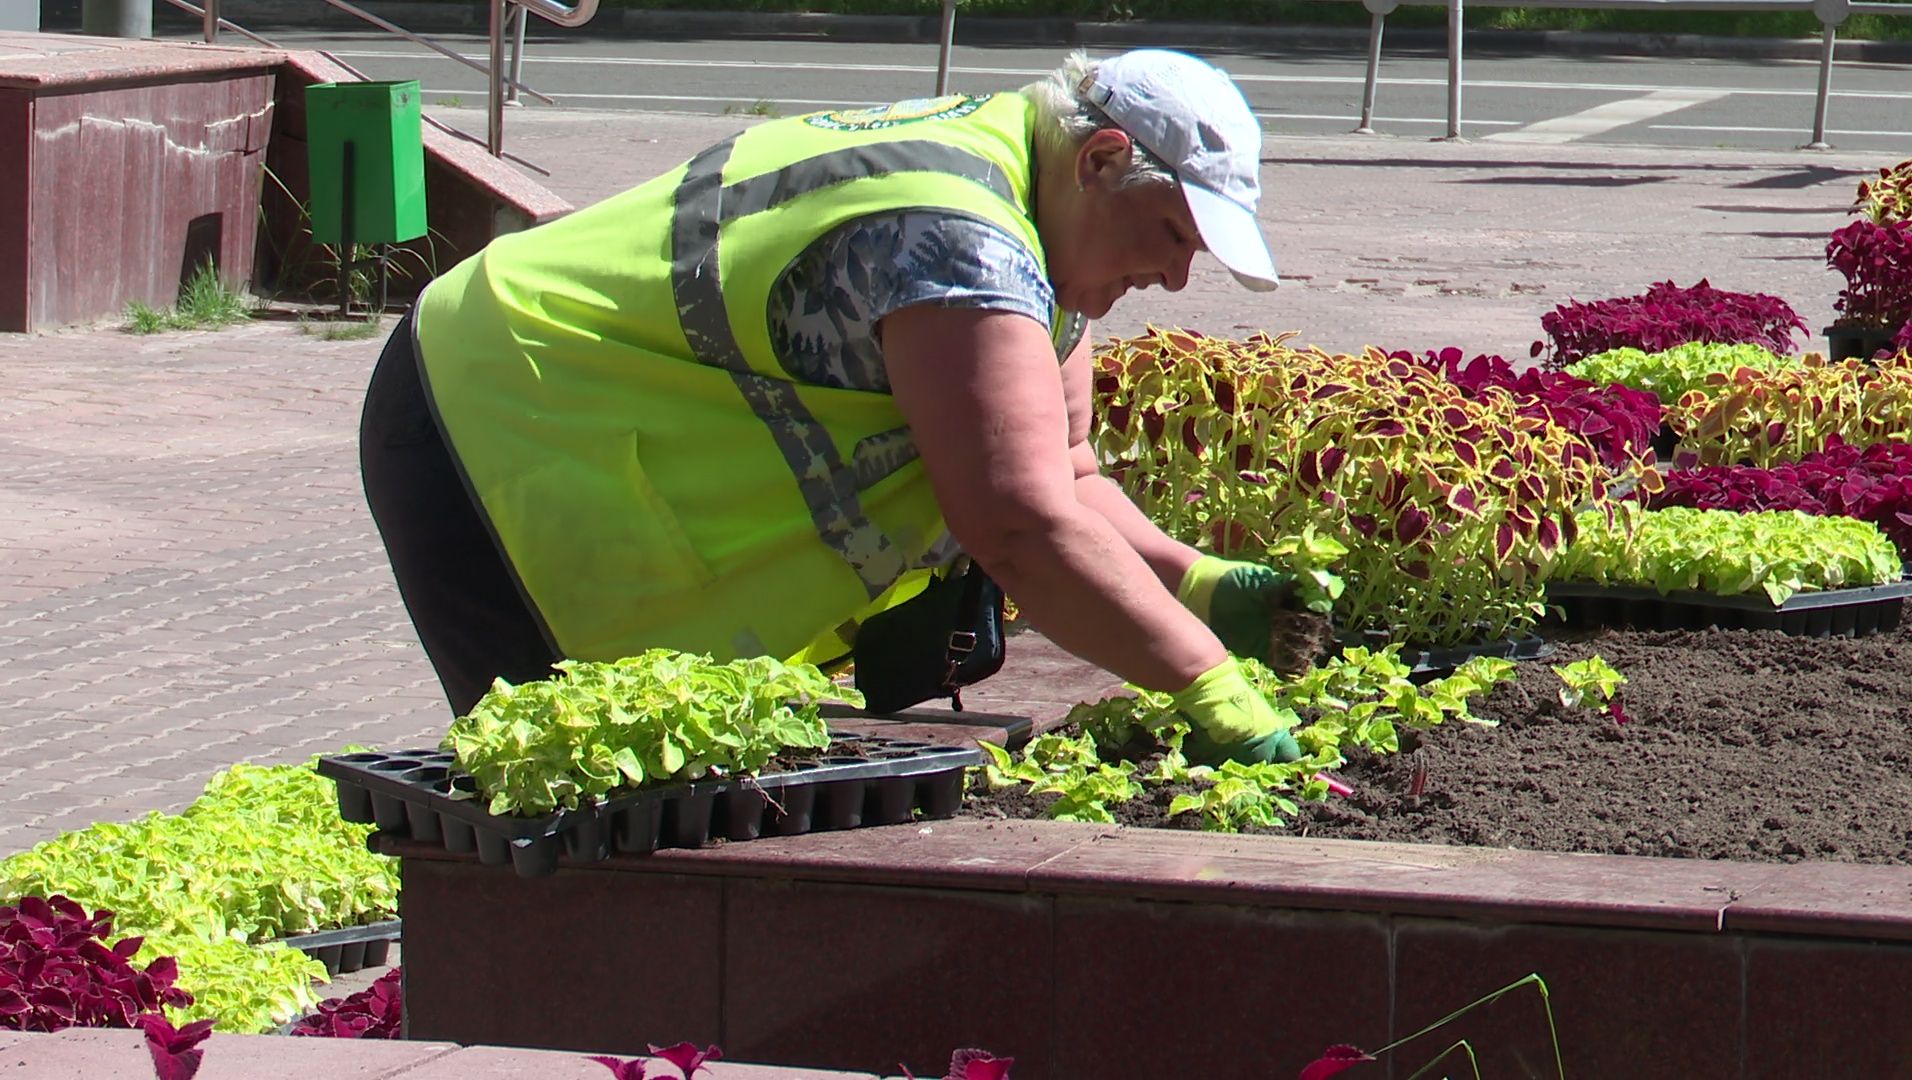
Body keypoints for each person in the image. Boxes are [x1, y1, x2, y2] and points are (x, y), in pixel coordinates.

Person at [359, 48, 1312, 766]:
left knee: (630, 782)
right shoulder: (958, 240)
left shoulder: (1026, 207)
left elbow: (1065, 475)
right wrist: (1209, 683)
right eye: (1172, 232)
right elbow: (1018, 522)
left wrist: (1199, 582)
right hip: (492, 426)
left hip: (542, 407)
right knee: (571, 783)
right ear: (1101, 160)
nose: (1181, 277)